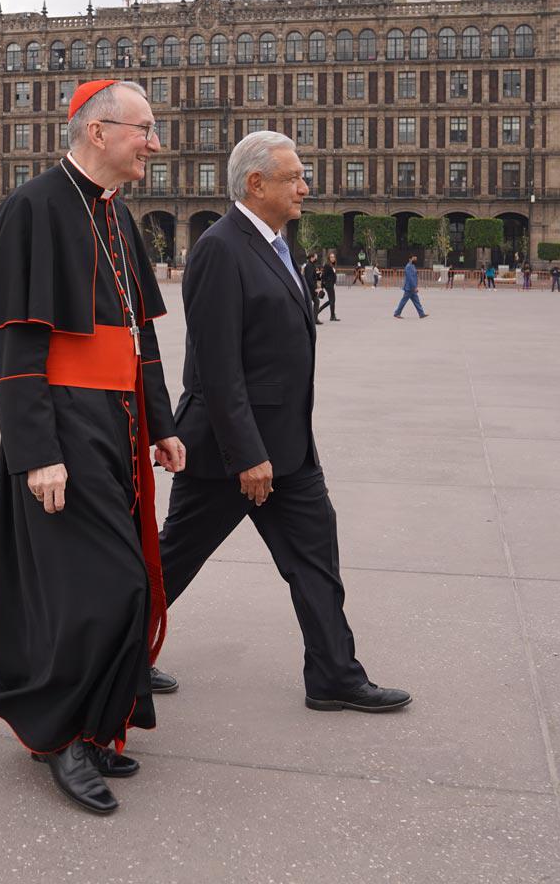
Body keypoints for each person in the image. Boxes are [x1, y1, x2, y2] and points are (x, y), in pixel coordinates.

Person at [0, 79, 186, 816]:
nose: (154, 143)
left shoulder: (118, 217)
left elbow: (140, 340)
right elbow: (19, 349)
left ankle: (96, 725)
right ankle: (62, 740)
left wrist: (163, 425)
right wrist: (36, 453)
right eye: (144, 129)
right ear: (98, 132)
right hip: (63, 429)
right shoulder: (33, 207)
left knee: (125, 582)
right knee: (101, 586)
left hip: (116, 425)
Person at [152, 132, 410, 715]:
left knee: (317, 557)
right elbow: (216, 366)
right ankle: (115, 657)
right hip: (229, 450)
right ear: (256, 183)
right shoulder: (221, 247)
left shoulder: (276, 245)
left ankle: (334, 676)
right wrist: (247, 453)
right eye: (295, 177)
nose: (305, 187)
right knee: (173, 560)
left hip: (289, 447)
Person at [318, 251, 339, 321]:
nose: (333, 258)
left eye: (333, 257)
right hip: (328, 285)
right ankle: (331, 315)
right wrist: (321, 286)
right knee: (332, 300)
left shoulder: (332, 265)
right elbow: (323, 276)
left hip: (331, 285)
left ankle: (331, 315)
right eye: (331, 257)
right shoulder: (327, 265)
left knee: (331, 300)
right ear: (329, 258)